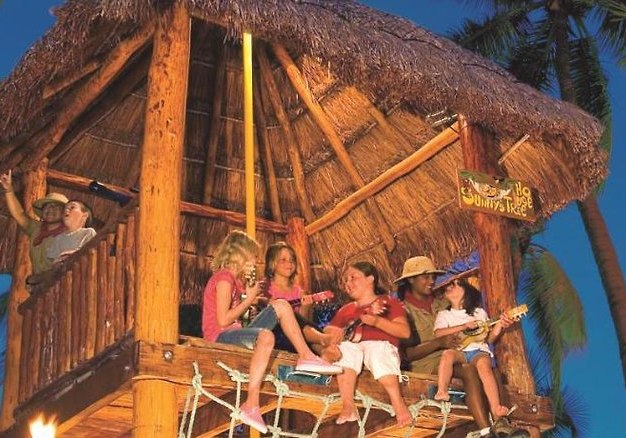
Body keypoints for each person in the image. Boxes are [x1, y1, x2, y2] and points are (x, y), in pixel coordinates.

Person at [202, 230, 342, 434]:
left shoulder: (236, 282)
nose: (254, 262)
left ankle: (306, 355)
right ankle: (251, 404)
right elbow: (223, 321)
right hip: (219, 337)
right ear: (240, 253)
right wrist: (250, 299)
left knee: (282, 305)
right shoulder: (224, 278)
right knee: (266, 337)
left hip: (235, 333)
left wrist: (248, 300)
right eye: (252, 257)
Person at [396, 256, 526, 437]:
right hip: (429, 366)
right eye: (426, 277)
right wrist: (439, 343)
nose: (432, 281)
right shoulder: (403, 311)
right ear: (411, 280)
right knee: (469, 370)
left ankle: (502, 423)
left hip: (461, 355)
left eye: (433, 276)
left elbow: (477, 327)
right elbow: (406, 355)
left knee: (492, 371)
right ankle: (485, 431)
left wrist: (499, 324)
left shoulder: (443, 304)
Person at [323, 261, 412, 427]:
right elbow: (329, 332)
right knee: (346, 348)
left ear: (370, 279)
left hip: (381, 349)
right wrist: (332, 334)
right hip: (354, 351)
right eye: (345, 280)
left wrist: (376, 321)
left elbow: (404, 332)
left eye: (353, 277)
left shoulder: (388, 302)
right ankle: (348, 406)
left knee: (376, 349)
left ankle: (398, 403)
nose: (348, 283)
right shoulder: (345, 310)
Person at [433, 278, 509, 419]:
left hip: (478, 350)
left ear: (466, 291)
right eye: (449, 285)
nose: (451, 287)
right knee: (447, 354)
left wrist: (499, 325)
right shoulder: (444, 314)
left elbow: (489, 339)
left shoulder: (479, 313)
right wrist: (463, 326)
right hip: (459, 351)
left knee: (484, 366)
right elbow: (438, 333)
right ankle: (442, 390)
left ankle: (495, 407)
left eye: (456, 284)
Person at [263, 241, 340, 362]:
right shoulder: (265, 289)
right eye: (283, 260)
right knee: (287, 316)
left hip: (298, 338)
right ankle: (323, 342)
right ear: (272, 263)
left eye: (292, 260)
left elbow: (303, 323)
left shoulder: (299, 292)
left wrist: (305, 308)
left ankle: (325, 351)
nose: (289, 263)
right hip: (276, 335)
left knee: (297, 320)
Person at [0, 170, 68, 274]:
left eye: (56, 207)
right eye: (47, 206)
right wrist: (9, 190)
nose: (50, 209)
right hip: (39, 283)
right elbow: (19, 214)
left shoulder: (69, 233)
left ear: (64, 213)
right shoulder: (36, 229)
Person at [47, 200, 96, 264]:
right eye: (65, 209)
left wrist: (74, 255)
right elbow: (53, 262)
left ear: (84, 216)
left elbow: (92, 255)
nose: (66, 210)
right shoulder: (58, 238)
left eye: (72, 207)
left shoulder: (88, 233)